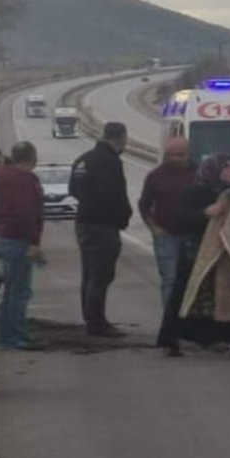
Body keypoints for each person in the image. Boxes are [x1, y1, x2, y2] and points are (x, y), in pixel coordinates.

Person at [156, 154, 230, 358]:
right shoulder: (193, 192)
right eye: (227, 167)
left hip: (223, 254)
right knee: (184, 294)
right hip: (195, 252)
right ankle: (171, 338)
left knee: (228, 294)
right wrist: (205, 212)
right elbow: (180, 220)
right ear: (214, 169)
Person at [69, 122, 132, 338]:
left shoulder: (83, 159)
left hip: (84, 223)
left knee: (89, 273)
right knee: (101, 275)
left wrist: (89, 203)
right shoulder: (110, 161)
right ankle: (97, 323)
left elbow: (73, 189)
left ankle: (92, 318)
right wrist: (124, 216)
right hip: (103, 225)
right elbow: (115, 194)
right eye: (124, 139)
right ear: (119, 138)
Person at [0, 141, 45, 351]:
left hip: (5, 236)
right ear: (32, 157)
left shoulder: (2, 175)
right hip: (18, 240)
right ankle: (12, 337)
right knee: (19, 292)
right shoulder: (23, 180)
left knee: (11, 291)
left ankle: (11, 333)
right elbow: (26, 212)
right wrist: (33, 242)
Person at [138, 137, 195, 310]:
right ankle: (170, 323)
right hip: (166, 236)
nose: (176, 159)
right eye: (172, 155)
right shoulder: (156, 176)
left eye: (180, 155)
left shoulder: (198, 174)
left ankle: (192, 322)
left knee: (193, 280)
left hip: (193, 236)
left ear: (188, 154)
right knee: (170, 279)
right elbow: (144, 204)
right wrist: (154, 228)